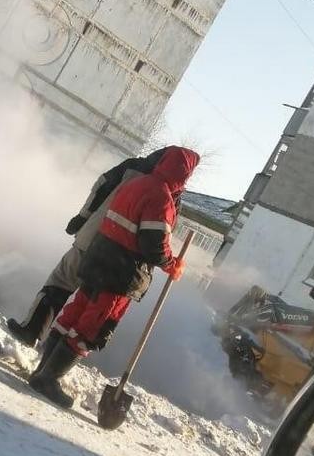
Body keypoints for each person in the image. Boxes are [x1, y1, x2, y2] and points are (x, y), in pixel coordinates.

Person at [28, 146, 200, 409]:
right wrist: (171, 264)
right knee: (91, 327)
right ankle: (48, 379)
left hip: (97, 259)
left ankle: (42, 371)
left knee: (73, 315)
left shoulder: (137, 182)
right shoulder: (162, 198)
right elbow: (153, 244)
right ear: (184, 174)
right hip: (120, 272)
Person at [6, 147, 175, 348]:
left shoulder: (133, 167)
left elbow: (101, 187)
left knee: (62, 281)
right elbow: (159, 234)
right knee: (89, 308)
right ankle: (53, 358)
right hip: (122, 262)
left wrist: (82, 217)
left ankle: (33, 331)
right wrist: (163, 263)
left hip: (93, 237)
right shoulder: (171, 193)